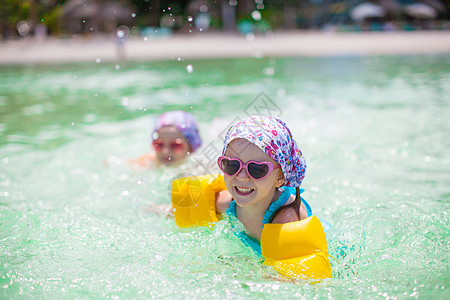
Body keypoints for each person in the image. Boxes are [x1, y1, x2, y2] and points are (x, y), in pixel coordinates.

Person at [213, 115, 311, 255]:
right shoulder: (226, 203)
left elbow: (285, 275)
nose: (242, 176)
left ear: (281, 177)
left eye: (257, 169)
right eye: (232, 165)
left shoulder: (286, 221)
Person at [128, 110, 202, 169]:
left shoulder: (198, 168)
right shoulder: (144, 163)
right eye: (159, 144)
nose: (165, 151)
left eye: (175, 145)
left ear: (191, 148)